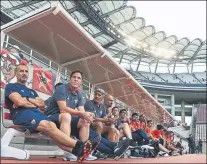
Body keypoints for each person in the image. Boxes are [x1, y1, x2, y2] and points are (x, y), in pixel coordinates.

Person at [4, 64, 99, 161]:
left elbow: (41, 104)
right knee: (49, 126)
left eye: (26, 71)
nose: (24, 73)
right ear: (16, 73)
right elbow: (19, 102)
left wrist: (27, 99)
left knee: (52, 128)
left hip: (38, 115)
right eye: (21, 71)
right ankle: (80, 145)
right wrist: (30, 102)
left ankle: (76, 151)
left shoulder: (32, 91)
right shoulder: (11, 86)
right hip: (22, 115)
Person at [44, 70, 99, 161]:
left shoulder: (80, 93)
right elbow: (63, 109)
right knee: (66, 115)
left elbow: (81, 110)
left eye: (78, 78)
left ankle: (84, 151)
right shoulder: (61, 88)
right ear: (70, 79)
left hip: (65, 120)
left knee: (85, 120)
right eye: (74, 77)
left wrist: (88, 115)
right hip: (50, 118)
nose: (76, 79)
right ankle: (68, 151)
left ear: (81, 82)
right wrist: (82, 113)